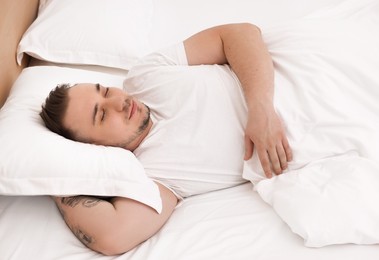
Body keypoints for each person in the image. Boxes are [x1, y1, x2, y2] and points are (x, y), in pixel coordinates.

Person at [40, 23, 293, 255]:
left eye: (105, 91)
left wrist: (261, 108)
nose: (119, 101)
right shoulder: (153, 175)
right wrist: (53, 175)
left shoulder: (146, 75)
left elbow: (241, 33)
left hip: (304, 62)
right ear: (94, 148)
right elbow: (113, 236)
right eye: (103, 115)